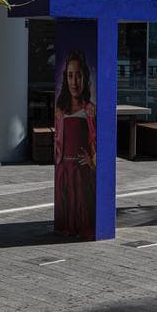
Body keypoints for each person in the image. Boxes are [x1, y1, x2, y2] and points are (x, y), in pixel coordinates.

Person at [54, 49, 96, 238]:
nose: (74, 81)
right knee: (66, 209)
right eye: (70, 75)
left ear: (84, 78)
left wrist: (92, 160)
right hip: (64, 171)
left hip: (81, 172)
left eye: (78, 75)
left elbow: (96, 138)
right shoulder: (60, 109)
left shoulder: (89, 110)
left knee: (82, 209)